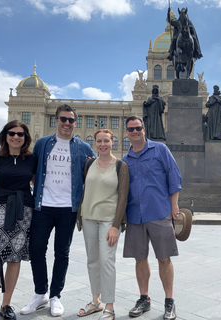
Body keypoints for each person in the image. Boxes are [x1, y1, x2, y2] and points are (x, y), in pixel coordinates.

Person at [21, 104, 95, 317]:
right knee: (36, 250)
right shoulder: (43, 143)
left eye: (71, 120)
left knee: (62, 253)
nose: (67, 123)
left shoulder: (83, 147)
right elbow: (33, 171)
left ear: (75, 123)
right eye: (63, 119)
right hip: (43, 206)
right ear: (56, 120)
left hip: (68, 208)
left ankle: (55, 296)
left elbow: (96, 169)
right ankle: (40, 293)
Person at [122, 116, 182, 320]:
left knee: (164, 258)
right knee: (140, 259)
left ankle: (169, 302)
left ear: (144, 129)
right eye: (131, 129)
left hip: (159, 211)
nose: (135, 132)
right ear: (127, 132)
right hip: (135, 215)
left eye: (138, 128)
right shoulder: (125, 160)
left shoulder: (160, 150)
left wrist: (174, 206)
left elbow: (174, 177)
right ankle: (144, 299)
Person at [0, 120, 37, 320]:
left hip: (23, 212)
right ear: (5, 135)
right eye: (12, 133)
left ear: (25, 138)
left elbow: (37, 183)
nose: (16, 137)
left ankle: (6, 305)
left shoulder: (31, 158)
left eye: (20, 134)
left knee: (14, 259)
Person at [76, 129, 129, 320]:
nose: (102, 144)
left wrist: (116, 225)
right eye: (99, 141)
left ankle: (110, 306)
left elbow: (123, 197)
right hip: (89, 217)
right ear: (95, 143)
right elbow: (84, 190)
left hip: (109, 220)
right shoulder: (89, 163)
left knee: (107, 261)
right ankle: (96, 301)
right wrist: (80, 216)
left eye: (106, 141)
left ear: (112, 142)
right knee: (92, 261)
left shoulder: (121, 166)